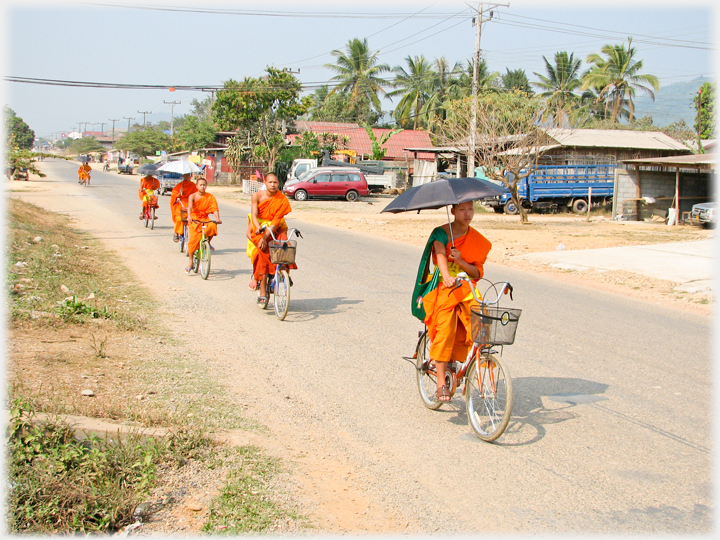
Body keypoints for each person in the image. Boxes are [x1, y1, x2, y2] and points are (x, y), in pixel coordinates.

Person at [414, 201, 492, 402]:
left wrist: (460, 262)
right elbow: (440, 255)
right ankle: (441, 382)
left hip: (466, 287)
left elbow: (476, 272)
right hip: (444, 287)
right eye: (463, 210)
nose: (468, 214)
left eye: (471, 209)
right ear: (453, 211)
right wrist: (447, 275)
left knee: (481, 322)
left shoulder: (477, 240)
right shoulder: (440, 233)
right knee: (445, 330)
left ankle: (475, 365)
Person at [246, 173, 295, 305]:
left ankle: (285, 271)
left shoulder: (281, 199)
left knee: (286, 245)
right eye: (270, 182)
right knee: (263, 251)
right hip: (259, 226)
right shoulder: (257, 196)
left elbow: (276, 221)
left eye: (275, 182)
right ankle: (262, 290)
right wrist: (258, 229)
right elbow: (254, 215)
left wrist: (266, 235)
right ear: (265, 182)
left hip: (274, 227)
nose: (273, 185)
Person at [185, 178, 221, 273]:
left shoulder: (210, 197)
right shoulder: (192, 196)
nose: (202, 186)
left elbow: (214, 208)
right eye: (200, 185)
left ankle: (207, 242)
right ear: (196, 186)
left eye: (204, 185)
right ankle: (190, 262)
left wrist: (217, 218)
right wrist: (189, 216)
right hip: (194, 218)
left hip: (205, 218)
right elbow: (189, 207)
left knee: (213, 226)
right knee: (192, 241)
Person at [169, 173, 198, 242]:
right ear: (183, 176)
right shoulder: (179, 185)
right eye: (186, 175)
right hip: (182, 204)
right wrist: (180, 193)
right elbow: (174, 195)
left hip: (191, 204)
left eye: (189, 175)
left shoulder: (193, 185)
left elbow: (197, 195)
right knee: (179, 218)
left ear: (191, 176)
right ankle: (176, 233)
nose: (187, 177)